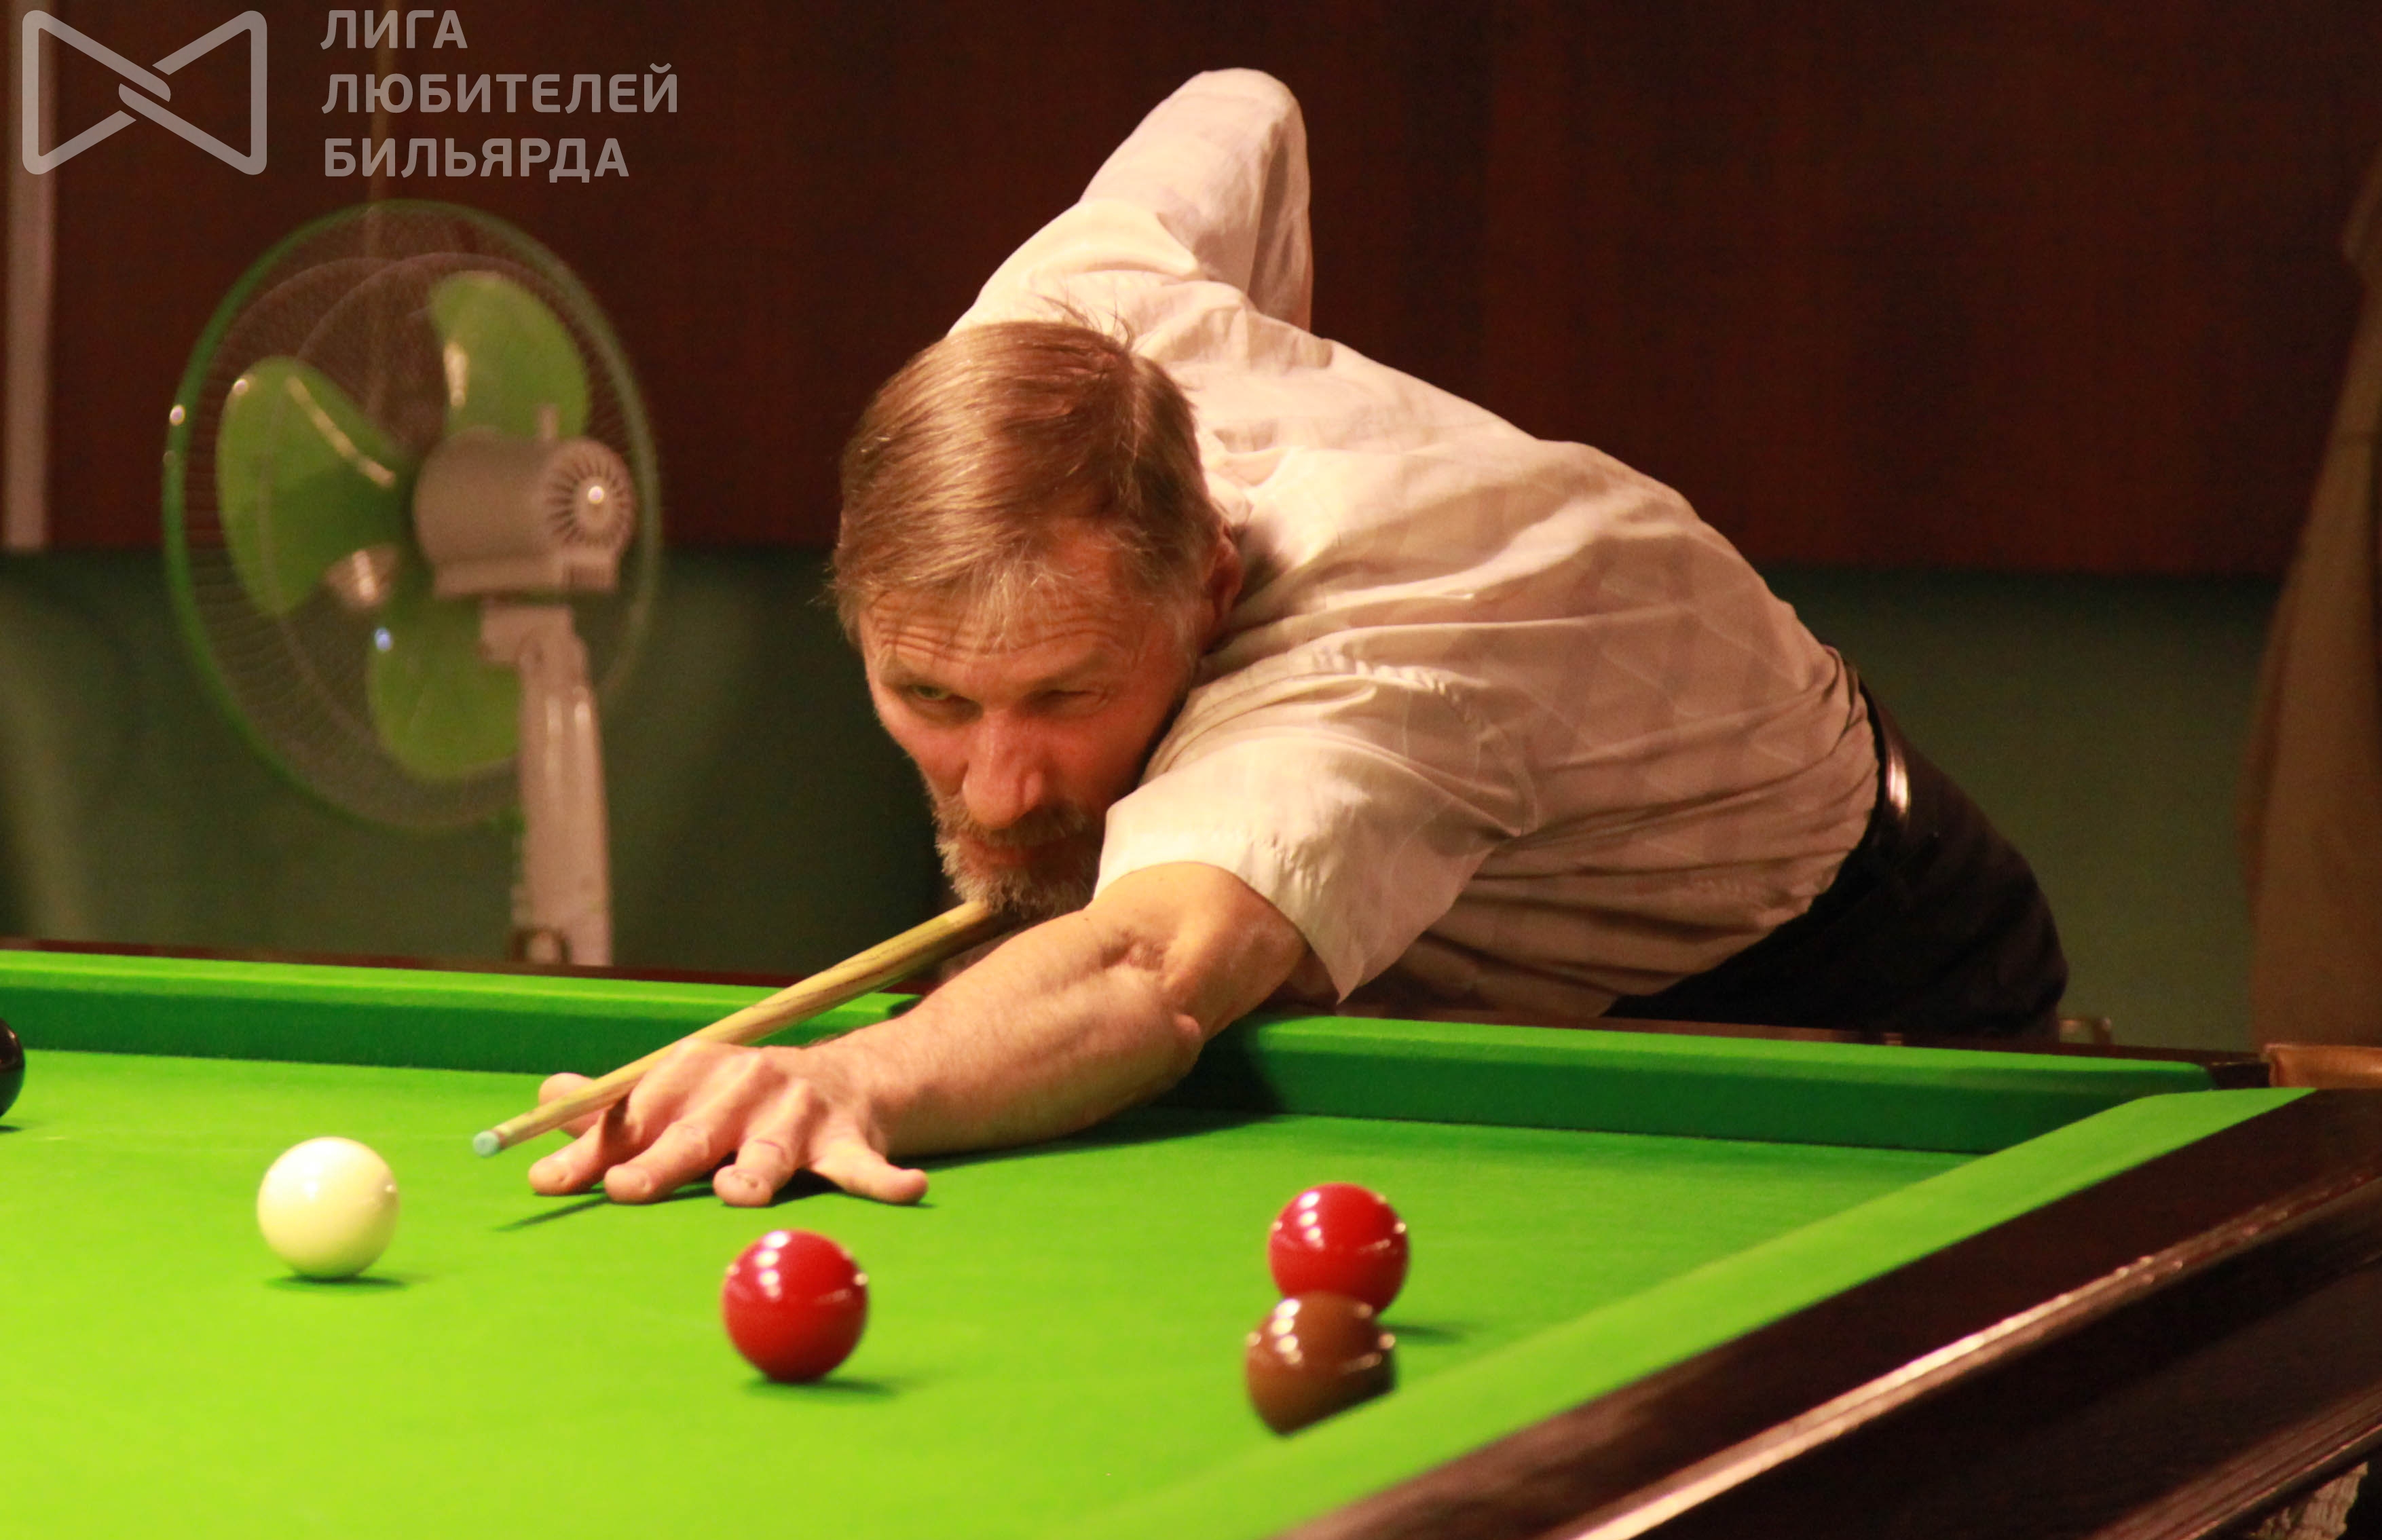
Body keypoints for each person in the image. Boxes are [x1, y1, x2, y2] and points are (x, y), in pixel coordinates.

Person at [526, 69, 2065, 1209]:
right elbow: (1241, 105)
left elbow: (1145, 970)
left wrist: (850, 1073)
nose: (996, 788)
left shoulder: (1371, 675)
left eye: (1066, 693)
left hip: (1841, 976)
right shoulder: (1063, 315)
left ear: (1207, 587)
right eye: (929, 692)